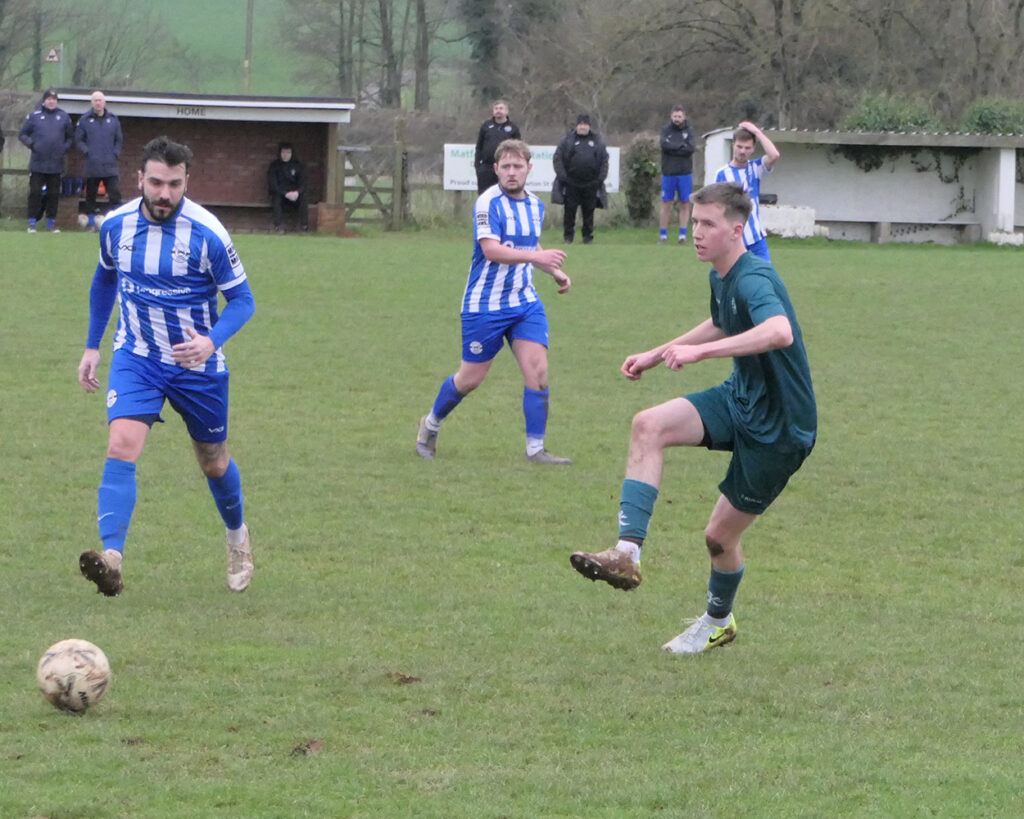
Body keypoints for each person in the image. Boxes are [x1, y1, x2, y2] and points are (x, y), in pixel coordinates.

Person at [570, 182, 816, 654]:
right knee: (649, 424)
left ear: (736, 229)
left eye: (708, 224)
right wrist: (658, 353)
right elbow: (723, 321)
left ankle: (717, 623)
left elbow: (779, 330)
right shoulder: (721, 276)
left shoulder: (753, 277)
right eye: (693, 221)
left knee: (718, 539)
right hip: (740, 398)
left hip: (780, 428)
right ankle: (626, 553)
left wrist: (700, 353)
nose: (696, 232)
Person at [76, 136, 256, 598]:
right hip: (137, 356)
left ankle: (238, 539)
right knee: (121, 443)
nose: (163, 193)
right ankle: (112, 557)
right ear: (139, 179)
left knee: (213, 461)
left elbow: (242, 300)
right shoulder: (116, 225)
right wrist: (93, 346)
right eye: (155, 182)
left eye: (173, 184)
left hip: (196, 365)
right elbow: (105, 278)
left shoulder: (208, 233)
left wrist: (210, 341)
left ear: (185, 182)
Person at [416, 139, 573, 465]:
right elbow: (492, 249)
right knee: (470, 379)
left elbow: (529, 243)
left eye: (518, 166)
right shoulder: (488, 203)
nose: (512, 172)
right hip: (484, 305)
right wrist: (537, 257)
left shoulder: (535, 205)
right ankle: (430, 424)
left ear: (529, 168)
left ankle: (536, 450)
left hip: (524, 302)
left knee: (538, 372)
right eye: (506, 167)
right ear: (496, 169)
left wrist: (552, 270)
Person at [714, 121, 780, 261]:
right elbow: (716, 207)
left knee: (764, 278)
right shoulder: (722, 174)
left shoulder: (755, 167)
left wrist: (757, 132)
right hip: (734, 241)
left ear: (753, 148)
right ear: (733, 145)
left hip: (756, 239)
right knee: (736, 281)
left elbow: (774, 155)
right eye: (739, 146)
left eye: (747, 147)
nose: (743, 151)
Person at [18, 88, 74, 233]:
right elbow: (23, 134)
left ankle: (51, 224)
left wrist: (64, 148)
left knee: (53, 194)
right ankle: (32, 223)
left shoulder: (63, 117)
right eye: (49, 99)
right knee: (35, 192)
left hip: (55, 164)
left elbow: (70, 138)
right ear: (44, 101)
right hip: (38, 163)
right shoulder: (34, 116)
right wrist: (32, 144)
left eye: (54, 99)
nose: (51, 101)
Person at [552, 114, 609, 245]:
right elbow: (558, 158)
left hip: (591, 183)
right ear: (577, 125)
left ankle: (588, 237)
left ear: (589, 126)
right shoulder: (567, 139)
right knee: (569, 211)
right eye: (580, 124)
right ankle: (568, 237)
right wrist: (563, 177)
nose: (583, 126)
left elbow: (604, 160)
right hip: (571, 182)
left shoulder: (597, 140)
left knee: (589, 211)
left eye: (585, 124)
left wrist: (600, 179)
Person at [75, 90, 124, 231]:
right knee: (90, 196)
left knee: (115, 195)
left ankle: (116, 224)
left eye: (100, 100)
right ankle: (91, 225)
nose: (98, 103)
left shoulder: (113, 120)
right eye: (95, 100)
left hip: (110, 166)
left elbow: (119, 140)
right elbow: (78, 140)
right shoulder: (84, 120)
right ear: (92, 103)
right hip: (92, 166)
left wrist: (115, 153)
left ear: (104, 102)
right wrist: (88, 152)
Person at [659, 105, 696, 245]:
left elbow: (690, 148)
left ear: (684, 117)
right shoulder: (665, 130)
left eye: (679, 117)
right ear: (671, 116)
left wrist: (674, 146)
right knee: (666, 203)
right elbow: (664, 145)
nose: (677, 119)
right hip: (668, 173)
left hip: (685, 173)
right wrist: (680, 146)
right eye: (675, 116)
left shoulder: (689, 131)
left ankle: (682, 235)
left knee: (685, 203)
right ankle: (663, 235)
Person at [474, 100, 521, 193]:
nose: (498, 110)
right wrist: (478, 166)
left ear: (506, 111)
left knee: (505, 194)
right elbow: (479, 147)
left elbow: (518, 149)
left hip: (505, 166)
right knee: (485, 195)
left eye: (501, 108)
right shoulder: (486, 126)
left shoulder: (513, 128)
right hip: (487, 168)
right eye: (496, 108)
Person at [267, 141, 309, 232]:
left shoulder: (298, 166)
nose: (285, 155)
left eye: (288, 152)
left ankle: (304, 226)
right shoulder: (274, 166)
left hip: (295, 195)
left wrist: (297, 192)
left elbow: (303, 184)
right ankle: (278, 226)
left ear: (292, 153)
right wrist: (285, 194)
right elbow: (273, 185)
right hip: (281, 194)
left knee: (304, 198)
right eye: (283, 152)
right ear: (280, 153)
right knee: (276, 199)